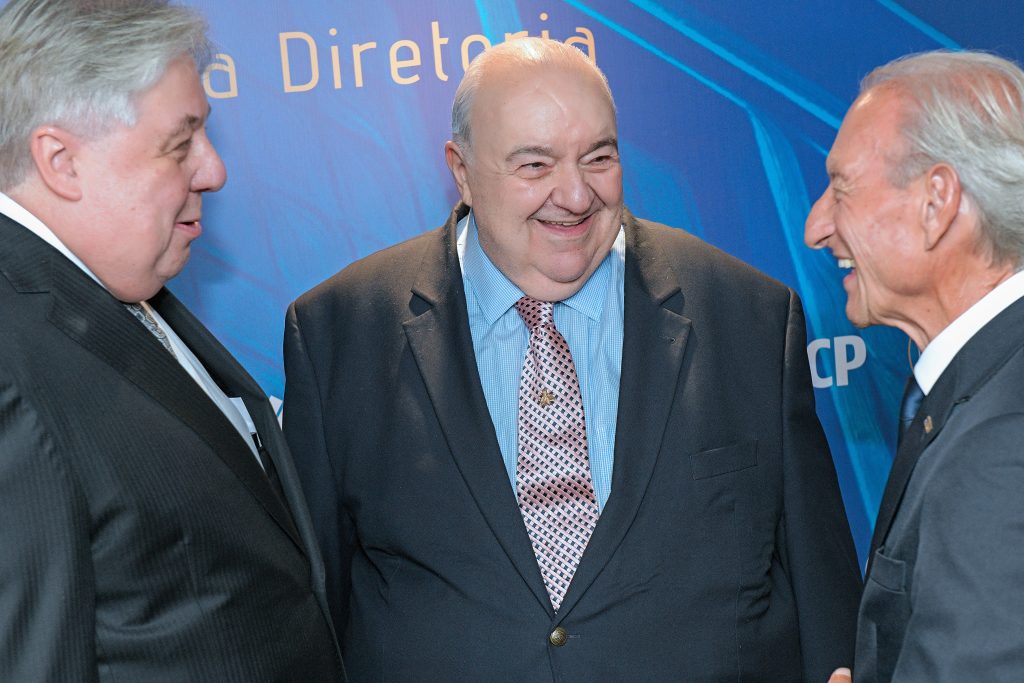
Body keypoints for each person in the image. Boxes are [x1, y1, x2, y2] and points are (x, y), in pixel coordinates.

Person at [285, 36, 860, 681]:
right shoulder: (339, 332)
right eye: (535, 165)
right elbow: (312, 613)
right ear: (461, 171)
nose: (577, 196)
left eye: (599, 158)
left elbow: (824, 597)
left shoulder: (750, 315)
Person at [0, 1, 345, 680]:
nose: (213, 170)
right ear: (61, 161)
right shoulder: (12, 367)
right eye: (180, 143)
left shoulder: (118, 285)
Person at [806, 50, 1024, 683]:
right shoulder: (982, 389)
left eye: (841, 188)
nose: (816, 226)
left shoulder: (997, 446)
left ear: (938, 202)